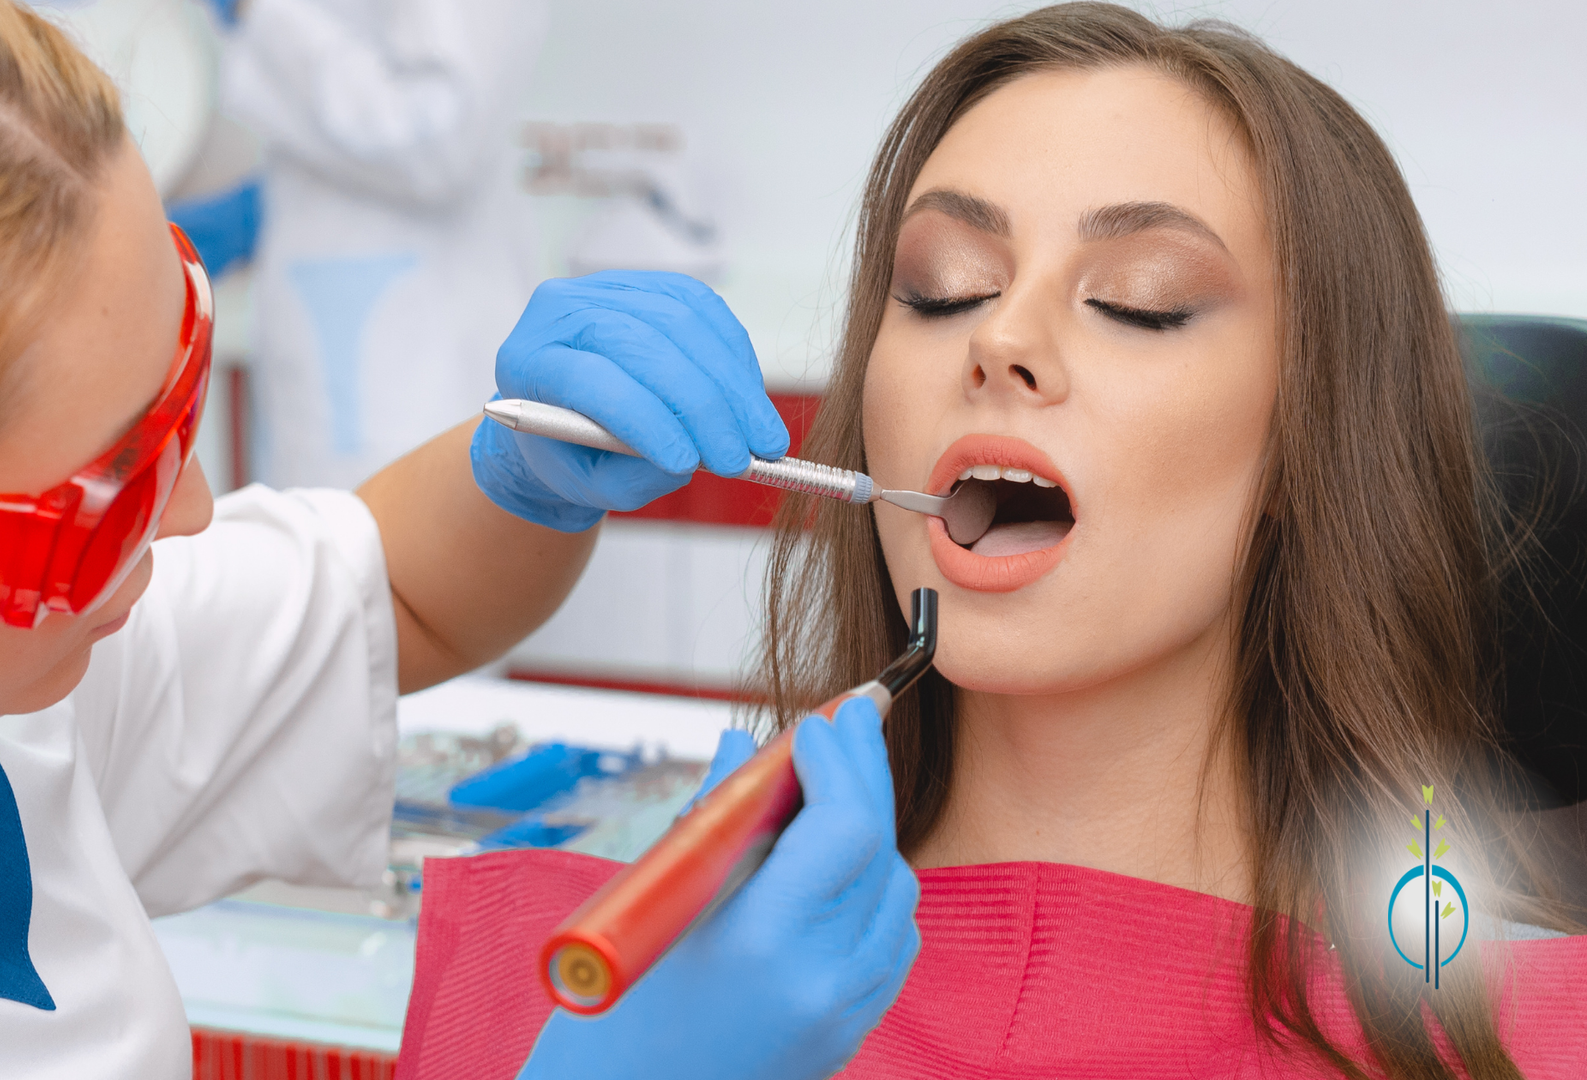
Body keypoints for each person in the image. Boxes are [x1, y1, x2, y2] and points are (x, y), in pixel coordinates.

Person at [0, 1, 919, 1076]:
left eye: (183, 376)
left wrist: (528, 475)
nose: (199, 506)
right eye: (99, 497)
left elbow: (399, 596)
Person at [391, 5, 1587, 1079]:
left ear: (1308, 443)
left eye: (1141, 301)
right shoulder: (579, 986)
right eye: (941, 287)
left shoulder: (1527, 1038)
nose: (1000, 338)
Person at [218, 0, 547, 490]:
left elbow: (439, 134)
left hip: (406, 355)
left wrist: (264, 14)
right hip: (352, 316)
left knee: (396, 544)